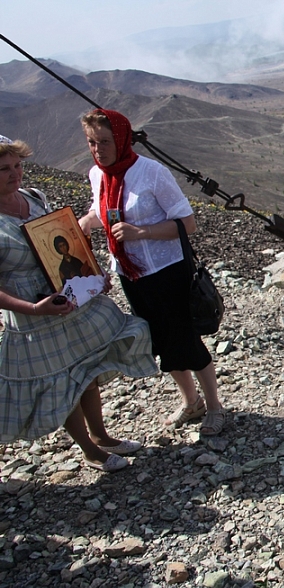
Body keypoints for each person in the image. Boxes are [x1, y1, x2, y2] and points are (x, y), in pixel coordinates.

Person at [0, 135, 158, 472]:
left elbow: (68, 243)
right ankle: (90, 449)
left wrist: (92, 275)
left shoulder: (34, 198)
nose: (15, 174)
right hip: (36, 314)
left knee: (85, 370)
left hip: (69, 299)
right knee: (63, 381)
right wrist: (33, 308)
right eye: (4, 169)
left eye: (18, 166)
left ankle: (102, 436)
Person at [78, 109, 226, 436]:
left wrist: (141, 232)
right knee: (160, 341)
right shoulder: (97, 175)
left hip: (167, 270)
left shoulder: (151, 172)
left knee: (185, 339)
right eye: (91, 142)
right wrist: (86, 223)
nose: (98, 149)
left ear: (121, 139)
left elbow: (187, 223)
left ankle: (214, 405)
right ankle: (191, 402)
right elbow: (99, 209)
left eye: (104, 141)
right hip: (131, 275)